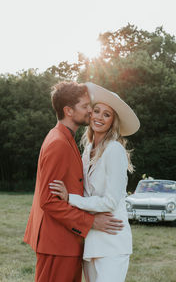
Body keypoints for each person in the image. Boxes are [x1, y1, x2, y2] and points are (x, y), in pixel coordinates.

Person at [23, 81, 124, 282]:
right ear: (69, 110)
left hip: (66, 242)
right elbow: (49, 201)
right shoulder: (59, 143)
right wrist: (91, 222)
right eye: (85, 107)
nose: (90, 112)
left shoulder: (65, 139)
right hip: (56, 243)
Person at [49, 82, 140, 282]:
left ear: (112, 122)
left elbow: (110, 202)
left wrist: (70, 198)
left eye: (106, 115)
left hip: (112, 240)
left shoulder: (114, 150)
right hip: (91, 240)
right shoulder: (88, 148)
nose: (99, 117)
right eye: (96, 110)